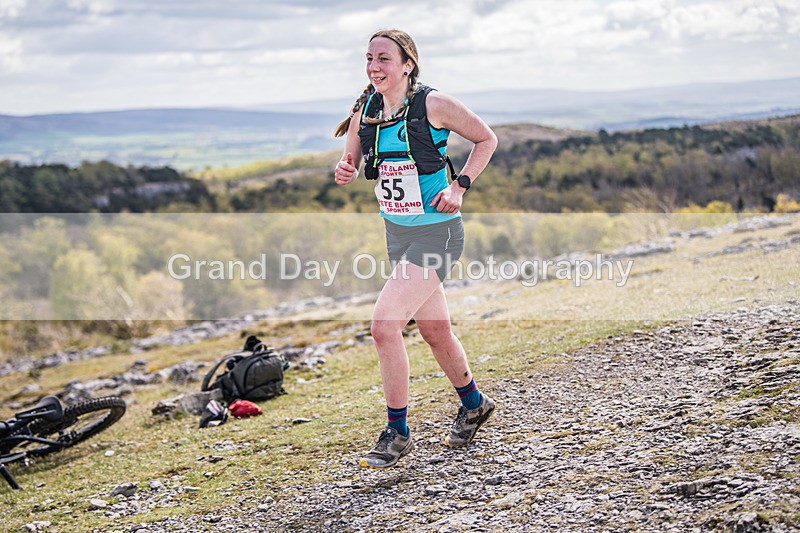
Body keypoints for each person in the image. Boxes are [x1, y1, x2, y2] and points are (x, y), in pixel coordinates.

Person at [333, 29, 498, 469]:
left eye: (384, 58)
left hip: (437, 232)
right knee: (434, 330)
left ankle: (398, 432)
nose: (374, 66)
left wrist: (459, 186)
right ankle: (474, 403)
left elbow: (487, 139)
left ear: (408, 64)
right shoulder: (364, 111)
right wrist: (345, 169)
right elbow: (350, 160)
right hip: (398, 233)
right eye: (369, 58)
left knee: (384, 326)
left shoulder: (433, 104)